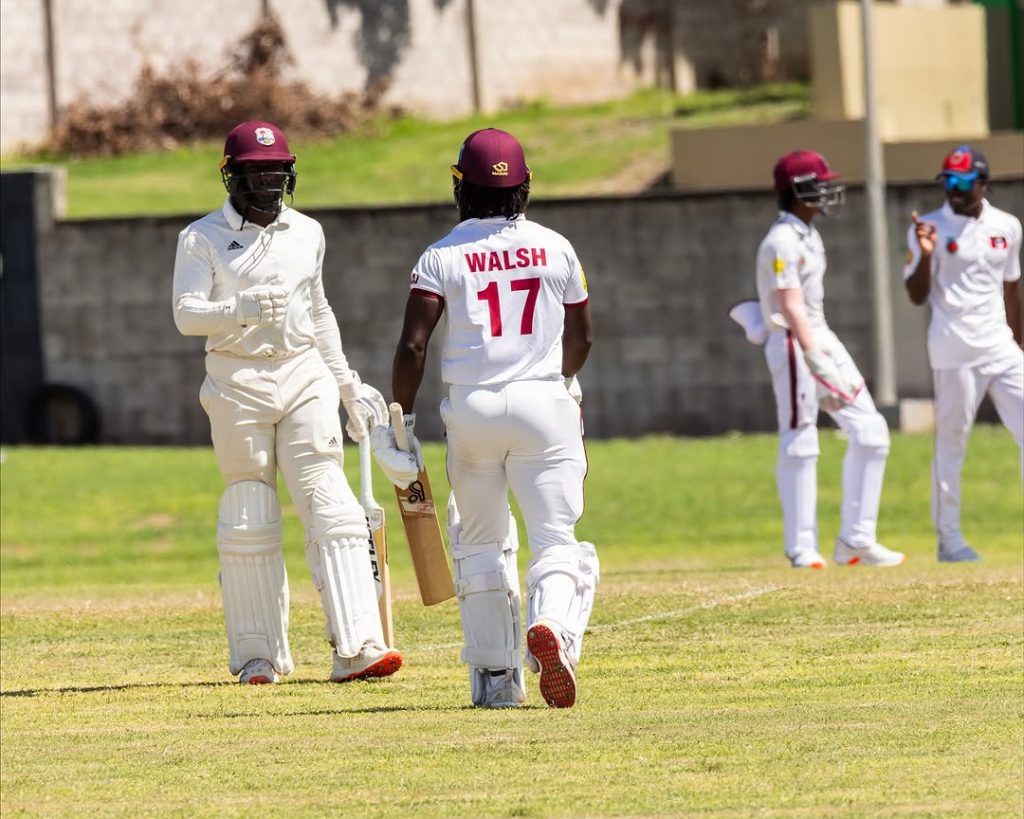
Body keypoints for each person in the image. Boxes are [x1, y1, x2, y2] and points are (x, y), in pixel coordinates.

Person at [371, 128, 598, 708]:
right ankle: (553, 627)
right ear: (524, 188)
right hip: (543, 405)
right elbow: (582, 335)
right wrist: (563, 382)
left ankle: (496, 681)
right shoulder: (557, 247)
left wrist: (402, 420)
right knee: (555, 540)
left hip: (471, 412)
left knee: (479, 542)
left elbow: (414, 346)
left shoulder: (440, 255)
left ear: (460, 187)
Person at [172, 120, 402, 684]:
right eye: (256, 173)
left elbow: (319, 311)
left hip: (304, 375)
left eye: (277, 172)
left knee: (333, 502)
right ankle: (259, 656)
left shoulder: (307, 232)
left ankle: (358, 645)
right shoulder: (200, 238)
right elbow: (184, 314)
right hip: (237, 381)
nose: (269, 183)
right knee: (249, 510)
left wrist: (347, 383)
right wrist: (239, 310)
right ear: (232, 176)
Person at [750, 149, 904, 569]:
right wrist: (813, 357)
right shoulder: (782, 239)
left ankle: (856, 539)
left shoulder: (806, 234)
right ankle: (801, 546)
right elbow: (790, 304)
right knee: (801, 438)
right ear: (797, 189)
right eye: (818, 183)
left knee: (871, 431)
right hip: (795, 342)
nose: (826, 190)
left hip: (820, 337)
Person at [903, 144, 1023, 562]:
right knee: (952, 446)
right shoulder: (928, 227)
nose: (953, 190)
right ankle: (949, 542)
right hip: (953, 353)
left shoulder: (1007, 226)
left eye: (962, 182)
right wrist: (927, 256)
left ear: (983, 183)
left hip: (1001, 348)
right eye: (947, 182)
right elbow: (916, 295)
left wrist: (1018, 342)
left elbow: (1011, 287)